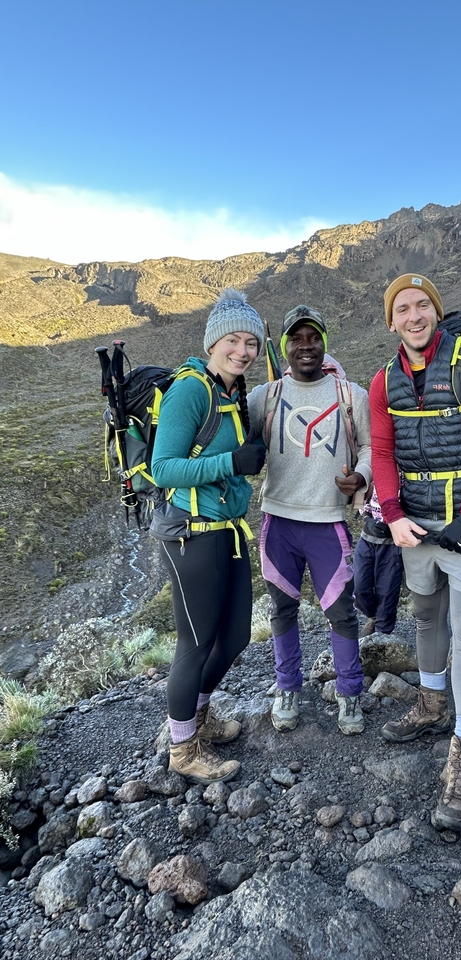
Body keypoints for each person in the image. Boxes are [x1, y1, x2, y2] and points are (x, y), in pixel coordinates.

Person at [369, 273, 461, 833]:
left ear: (437, 310)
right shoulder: (384, 381)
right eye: (403, 308)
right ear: (391, 321)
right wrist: (393, 511)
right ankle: (432, 706)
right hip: (416, 522)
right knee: (426, 614)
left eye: (422, 305)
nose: (414, 315)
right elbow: (383, 450)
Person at [150, 289, 267, 784]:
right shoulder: (192, 390)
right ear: (213, 342)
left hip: (228, 531)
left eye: (252, 344)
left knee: (236, 636)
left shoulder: (230, 392)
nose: (243, 351)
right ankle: (182, 748)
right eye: (233, 341)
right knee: (195, 645)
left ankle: (196, 717)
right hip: (191, 535)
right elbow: (163, 467)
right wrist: (232, 461)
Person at [247, 305, 372, 736]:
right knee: (282, 611)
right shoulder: (265, 397)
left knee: (341, 614)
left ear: (324, 342)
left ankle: (350, 691)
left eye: (313, 337)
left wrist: (362, 476)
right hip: (278, 522)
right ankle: (286, 687)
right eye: (296, 338)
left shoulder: (350, 395)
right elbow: (231, 439)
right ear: (284, 347)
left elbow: (373, 449)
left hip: (327, 523)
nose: (306, 346)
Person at [354, 483, 404, 637]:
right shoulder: (371, 463)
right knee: (359, 587)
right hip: (368, 537)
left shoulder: (408, 466)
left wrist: (395, 524)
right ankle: (375, 618)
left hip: (392, 542)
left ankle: (382, 636)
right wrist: (367, 518)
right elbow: (359, 491)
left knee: (387, 592)